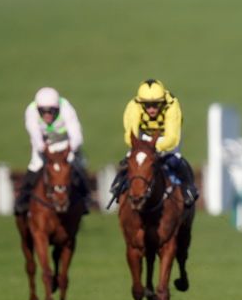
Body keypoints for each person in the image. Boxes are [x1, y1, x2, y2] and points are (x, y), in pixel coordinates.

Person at [109, 79, 199, 207]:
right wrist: (143, 149)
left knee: (175, 160)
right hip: (143, 137)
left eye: (155, 104)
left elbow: (172, 139)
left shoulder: (172, 106)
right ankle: (117, 186)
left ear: (162, 102)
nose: (151, 109)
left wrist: (152, 148)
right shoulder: (133, 107)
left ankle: (189, 189)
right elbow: (130, 136)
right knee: (131, 159)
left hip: (165, 136)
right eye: (147, 105)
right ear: (141, 103)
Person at [15, 87, 91, 215]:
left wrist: (69, 150)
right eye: (43, 112)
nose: (47, 115)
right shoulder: (31, 111)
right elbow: (35, 135)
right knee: (36, 165)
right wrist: (44, 150)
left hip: (66, 145)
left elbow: (77, 136)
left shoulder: (67, 109)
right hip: (44, 146)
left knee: (78, 166)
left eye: (51, 111)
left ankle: (85, 199)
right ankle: (22, 201)